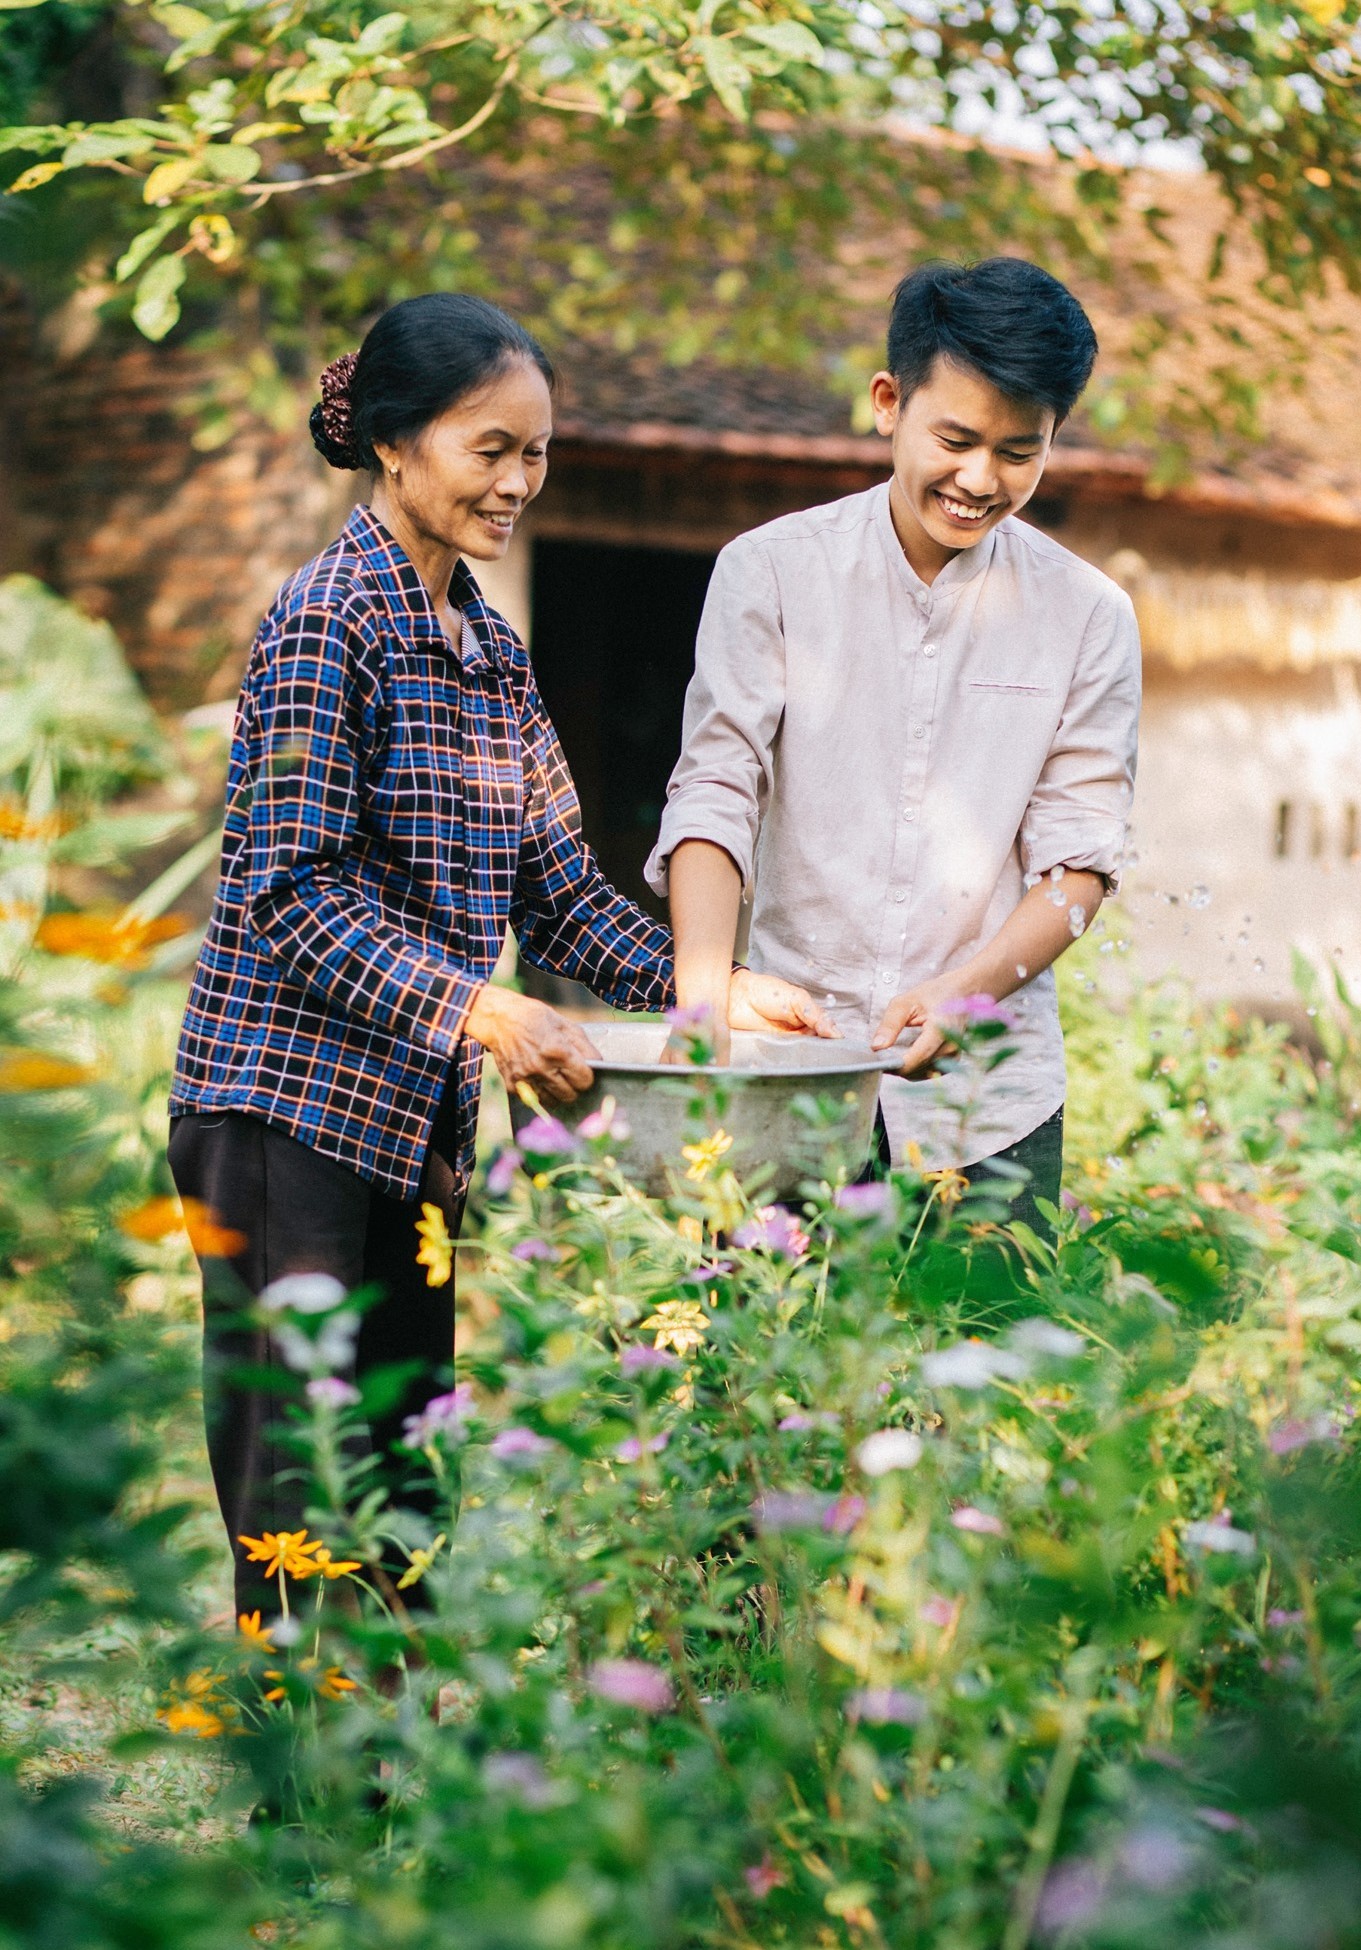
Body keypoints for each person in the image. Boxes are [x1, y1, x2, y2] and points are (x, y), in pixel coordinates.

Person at [168, 293, 827, 1613]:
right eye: (492, 449)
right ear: (399, 444)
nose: (522, 480)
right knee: (302, 1475)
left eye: (536, 453)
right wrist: (482, 1012)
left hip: (408, 1116)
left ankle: (389, 1777)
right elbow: (286, 893)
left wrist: (710, 984)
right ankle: (295, 1795)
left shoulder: (490, 653)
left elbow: (562, 894)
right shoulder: (324, 619)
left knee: (407, 1462)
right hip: (278, 1104)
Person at [647, 258, 1142, 1233]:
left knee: (977, 1378)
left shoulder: (1087, 615)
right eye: (953, 438)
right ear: (887, 403)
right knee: (759, 1377)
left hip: (986, 1106)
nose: (977, 479)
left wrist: (966, 991)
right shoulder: (768, 574)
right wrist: (701, 1002)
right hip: (789, 1076)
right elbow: (713, 790)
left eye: (1017, 452)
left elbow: (1077, 862)